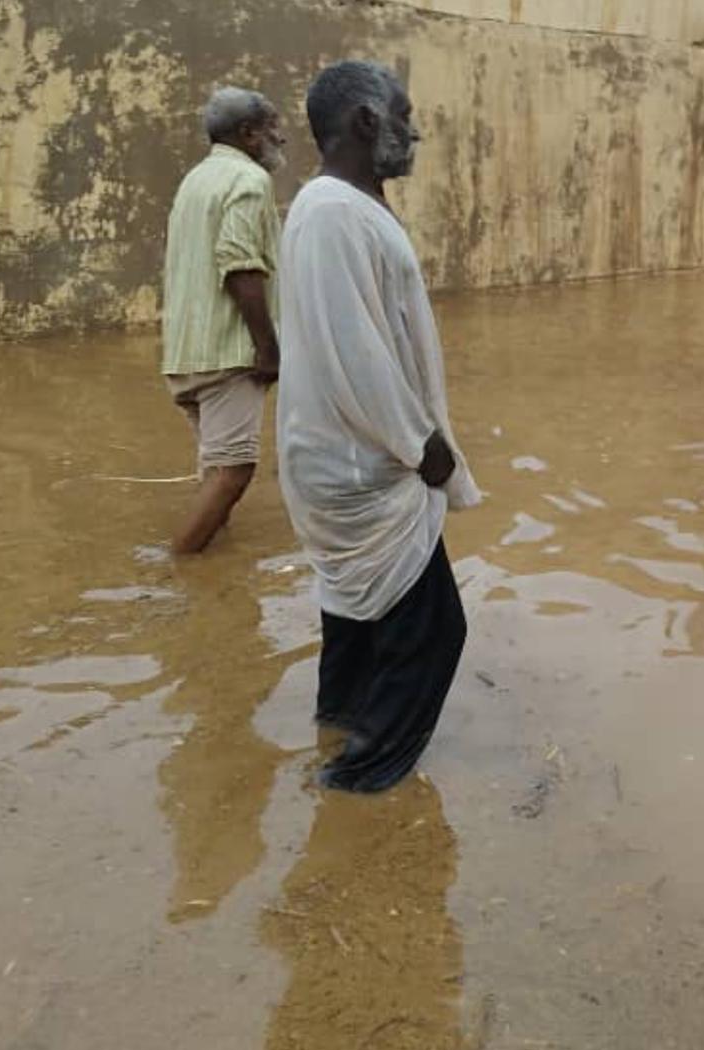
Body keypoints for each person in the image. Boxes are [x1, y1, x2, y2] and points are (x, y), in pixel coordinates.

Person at [276, 60, 482, 793]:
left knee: (358, 617)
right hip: (366, 460)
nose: (414, 128)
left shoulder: (346, 206)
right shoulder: (332, 212)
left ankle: (339, 726)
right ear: (366, 121)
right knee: (434, 632)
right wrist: (422, 446)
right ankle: (358, 781)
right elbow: (353, 349)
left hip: (352, 454)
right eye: (404, 112)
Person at [159, 87, 288, 554]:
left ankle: (215, 587)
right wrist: (268, 348)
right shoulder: (249, 181)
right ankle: (178, 565)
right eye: (274, 126)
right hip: (229, 352)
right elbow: (239, 264)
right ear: (249, 134)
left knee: (216, 471)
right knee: (235, 471)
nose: (283, 137)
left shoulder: (196, 180)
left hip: (184, 353)